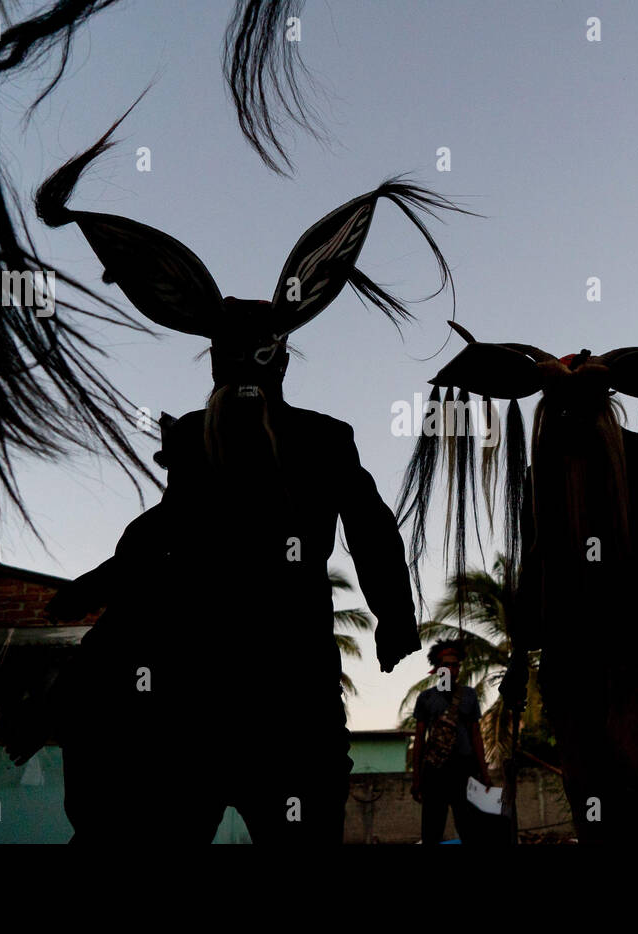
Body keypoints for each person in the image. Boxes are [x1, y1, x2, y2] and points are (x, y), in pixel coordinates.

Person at [29, 110, 470, 843]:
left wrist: (395, 617)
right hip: (222, 698)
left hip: (248, 697)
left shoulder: (299, 441)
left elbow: (365, 529)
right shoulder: (239, 443)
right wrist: (394, 618)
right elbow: (162, 538)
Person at [397, 321, 638, 842]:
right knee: (605, 801)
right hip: (587, 659)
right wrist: (522, 655)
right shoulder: (546, 472)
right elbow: (538, 559)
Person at [411, 641, 489, 844]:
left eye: (455, 665)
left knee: (469, 828)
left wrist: (485, 773)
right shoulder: (426, 698)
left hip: (464, 769)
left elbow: (476, 735)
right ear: (437, 669)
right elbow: (419, 739)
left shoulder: (469, 695)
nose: (451, 669)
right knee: (432, 829)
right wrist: (416, 777)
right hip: (434, 771)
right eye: (446, 665)